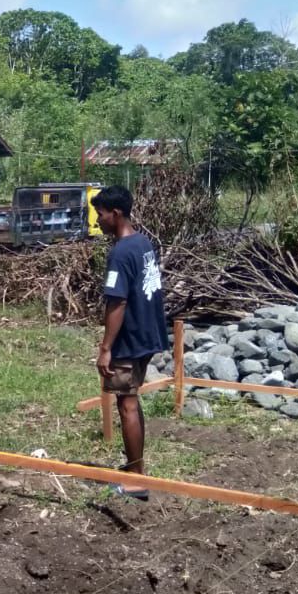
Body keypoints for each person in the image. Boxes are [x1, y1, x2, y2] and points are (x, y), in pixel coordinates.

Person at [92, 184, 168, 498]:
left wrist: (106, 348)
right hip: (148, 333)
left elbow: (117, 302)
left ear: (116, 213)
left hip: (130, 338)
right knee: (131, 400)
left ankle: (136, 480)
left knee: (127, 405)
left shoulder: (121, 252)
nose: (98, 221)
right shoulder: (143, 243)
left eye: (101, 215)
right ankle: (136, 466)